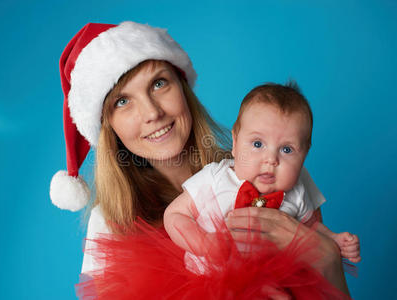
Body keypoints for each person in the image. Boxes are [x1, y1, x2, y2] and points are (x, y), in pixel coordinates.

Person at [49, 21, 351, 298]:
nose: (152, 112)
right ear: (108, 125)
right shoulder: (111, 223)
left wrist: (326, 257)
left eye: (158, 83)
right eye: (122, 101)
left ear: (182, 86)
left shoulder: (272, 167)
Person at [164, 82, 361, 272]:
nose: (271, 159)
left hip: (269, 281)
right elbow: (174, 215)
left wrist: (333, 239)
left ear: (304, 155)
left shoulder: (298, 192)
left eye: (286, 149)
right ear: (235, 142)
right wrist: (203, 243)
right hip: (207, 282)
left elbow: (312, 228)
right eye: (258, 144)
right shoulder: (215, 178)